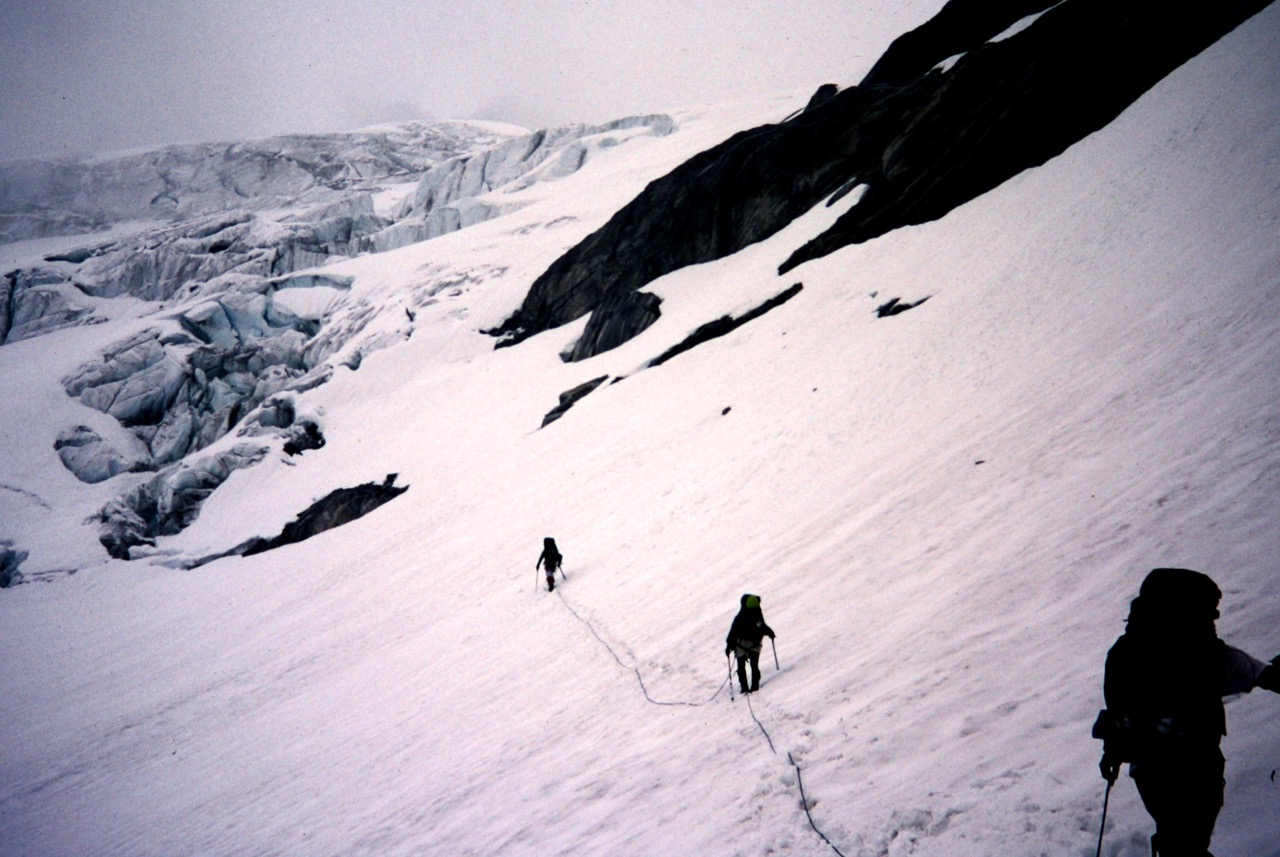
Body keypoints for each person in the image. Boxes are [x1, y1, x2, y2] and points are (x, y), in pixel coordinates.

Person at [1095, 567, 1280, 856]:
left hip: (1152, 772)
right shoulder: (1206, 654)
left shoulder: (1123, 655)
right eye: (1208, 611)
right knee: (1187, 842)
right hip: (1196, 768)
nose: (1213, 618)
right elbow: (1255, 673)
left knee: (1181, 839)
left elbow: (1119, 713)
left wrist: (1112, 753)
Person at [725, 593, 776, 694]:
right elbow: (763, 627)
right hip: (755, 644)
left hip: (740, 644)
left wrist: (729, 646)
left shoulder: (740, 617)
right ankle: (755, 686)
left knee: (741, 666)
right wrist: (771, 633)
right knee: (754, 665)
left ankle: (744, 688)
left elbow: (733, 632)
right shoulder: (757, 614)